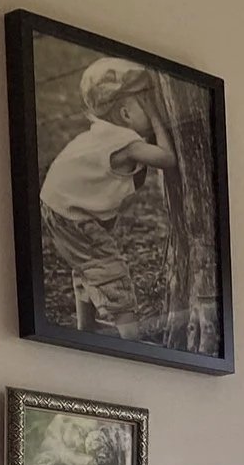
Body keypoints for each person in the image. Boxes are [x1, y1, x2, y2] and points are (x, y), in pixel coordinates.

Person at [37, 57, 178, 341]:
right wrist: (157, 121)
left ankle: (86, 325)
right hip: (74, 215)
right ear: (125, 113)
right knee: (108, 268)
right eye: (147, 103)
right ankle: (131, 338)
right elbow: (168, 158)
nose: (154, 108)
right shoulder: (125, 141)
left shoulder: (103, 132)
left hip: (57, 206)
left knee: (87, 265)